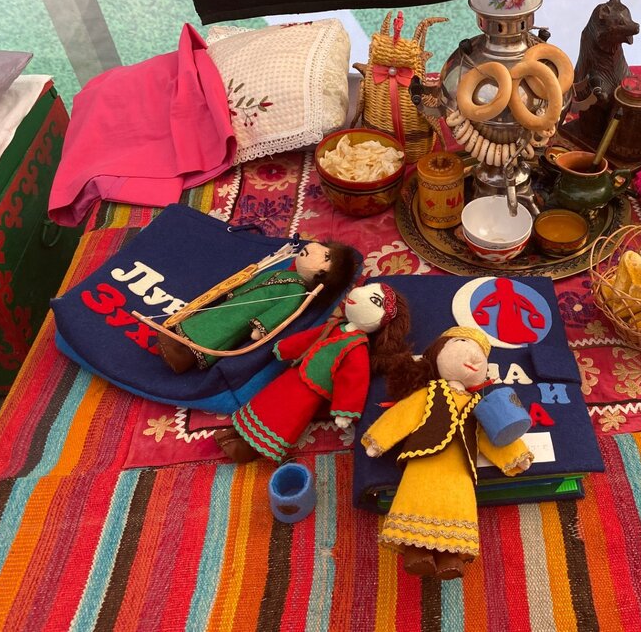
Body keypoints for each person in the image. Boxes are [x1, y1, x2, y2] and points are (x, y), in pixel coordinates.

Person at [362, 327, 533, 581]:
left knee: (457, 507)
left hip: (460, 469)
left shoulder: (479, 405)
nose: (474, 357)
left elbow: (491, 435)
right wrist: (379, 439)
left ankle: (450, 557)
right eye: (463, 343)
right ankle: (416, 552)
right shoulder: (429, 393)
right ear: (438, 352)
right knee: (416, 498)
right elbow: (403, 415)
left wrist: (515, 455)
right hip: (422, 461)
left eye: (481, 354)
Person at [215, 283, 412, 463]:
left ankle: (248, 449)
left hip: (310, 392)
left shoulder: (357, 348)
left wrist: (345, 410)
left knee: (283, 418)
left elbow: (353, 380)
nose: (359, 293)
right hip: (295, 374)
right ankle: (237, 432)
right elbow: (308, 338)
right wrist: (285, 348)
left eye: (374, 300)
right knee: (266, 402)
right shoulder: (336, 326)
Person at [157, 240, 356, 372]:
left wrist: (262, 327)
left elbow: (283, 311)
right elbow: (257, 281)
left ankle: (183, 358)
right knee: (208, 318)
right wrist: (234, 292)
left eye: (326, 257)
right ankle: (175, 338)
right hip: (236, 303)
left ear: (322, 274)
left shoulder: (297, 291)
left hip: (244, 316)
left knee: (220, 332)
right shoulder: (286, 273)